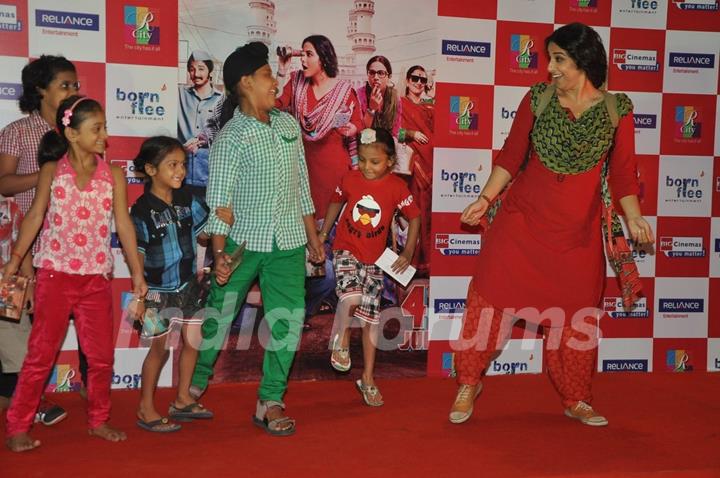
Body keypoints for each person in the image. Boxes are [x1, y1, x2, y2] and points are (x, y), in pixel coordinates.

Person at [448, 23, 654, 427]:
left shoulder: (616, 112)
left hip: (577, 238)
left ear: (584, 62)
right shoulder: (538, 100)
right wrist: (485, 198)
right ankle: (469, 382)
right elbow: (511, 156)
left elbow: (624, 176)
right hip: (519, 227)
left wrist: (634, 217)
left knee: (577, 319)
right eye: (550, 59)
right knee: (487, 305)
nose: (550, 69)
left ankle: (576, 398)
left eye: (559, 59)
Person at [189, 42, 324, 436]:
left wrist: (313, 237)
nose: (275, 80)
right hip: (240, 244)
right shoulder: (231, 137)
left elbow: (302, 188)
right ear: (246, 83)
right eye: (268, 75)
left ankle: (270, 400)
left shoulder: (287, 125)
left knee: (289, 321)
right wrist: (220, 256)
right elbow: (219, 203)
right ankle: (192, 385)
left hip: (288, 242)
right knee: (220, 316)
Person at [2, 96, 148, 451]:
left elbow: (125, 226)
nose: (105, 135)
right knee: (40, 356)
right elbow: (35, 216)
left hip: (96, 279)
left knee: (100, 358)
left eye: (104, 127)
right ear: (71, 132)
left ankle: (99, 420)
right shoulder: (52, 170)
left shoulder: (112, 174)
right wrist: (15, 259)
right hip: (54, 276)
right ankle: (17, 426)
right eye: (96, 128)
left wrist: (138, 275)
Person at [130, 136, 234, 433]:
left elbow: (203, 234)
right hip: (155, 291)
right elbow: (136, 250)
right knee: (159, 350)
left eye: (183, 165)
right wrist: (139, 292)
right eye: (172, 165)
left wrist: (222, 220)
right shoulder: (140, 210)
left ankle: (183, 398)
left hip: (190, 283)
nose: (181, 171)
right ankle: (145, 407)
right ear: (151, 169)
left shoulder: (188, 198)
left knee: (193, 342)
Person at [0, 55, 80, 426]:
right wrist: (45, 176)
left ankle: (21, 399)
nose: (73, 91)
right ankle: (25, 400)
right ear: (40, 90)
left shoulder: (77, 134)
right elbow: (3, 182)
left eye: (75, 85)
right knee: (14, 325)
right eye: (65, 85)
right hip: (17, 244)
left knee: (42, 330)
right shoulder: (18, 131)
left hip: (63, 247)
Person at [318, 127, 420, 407]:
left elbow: (414, 217)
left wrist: (409, 250)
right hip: (345, 250)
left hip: (375, 260)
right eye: (361, 160)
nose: (366, 167)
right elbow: (336, 202)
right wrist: (323, 234)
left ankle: (368, 378)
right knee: (350, 297)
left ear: (389, 161)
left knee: (370, 323)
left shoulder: (398, 187)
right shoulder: (350, 178)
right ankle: (339, 343)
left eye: (374, 162)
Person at [276, 34, 363, 321]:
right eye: (302, 54)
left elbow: (359, 122)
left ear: (323, 58)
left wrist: (352, 128)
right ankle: (299, 305)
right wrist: (281, 67)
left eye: (309, 54)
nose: (304, 60)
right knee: (302, 239)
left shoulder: (343, 89)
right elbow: (277, 105)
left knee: (329, 241)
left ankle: (322, 302)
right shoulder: (297, 83)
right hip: (301, 169)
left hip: (333, 169)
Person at [400, 65, 434, 273]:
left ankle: (427, 263)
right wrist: (411, 134)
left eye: (423, 80)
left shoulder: (431, 106)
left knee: (428, 214)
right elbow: (393, 131)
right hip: (409, 169)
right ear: (407, 80)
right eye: (415, 78)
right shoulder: (400, 105)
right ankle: (410, 262)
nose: (419, 83)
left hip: (431, 163)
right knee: (412, 213)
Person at [0, 199, 32, 413]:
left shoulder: (8, 208)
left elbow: (24, 244)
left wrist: (30, 282)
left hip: (9, 285)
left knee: (22, 353)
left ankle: (26, 406)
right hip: (9, 285)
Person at [177, 50, 223, 198]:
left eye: (201, 69)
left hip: (209, 178)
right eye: (191, 69)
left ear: (210, 71)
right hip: (180, 175)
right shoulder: (179, 94)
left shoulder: (222, 101)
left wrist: (204, 140)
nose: (195, 73)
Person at [357, 56, 402, 137]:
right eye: (372, 72)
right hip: (365, 145)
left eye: (381, 73)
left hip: (387, 144)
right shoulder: (359, 95)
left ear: (389, 77)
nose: (375, 77)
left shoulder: (395, 98)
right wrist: (371, 109)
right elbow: (360, 131)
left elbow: (396, 131)